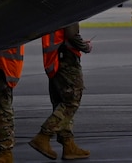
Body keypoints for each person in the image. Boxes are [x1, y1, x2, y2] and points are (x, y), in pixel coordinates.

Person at [29, 24, 91, 160]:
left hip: (55, 58)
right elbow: (71, 33)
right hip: (66, 58)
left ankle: (68, 145)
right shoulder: (71, 6)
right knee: (71, 102)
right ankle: (43, 136)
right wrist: (84, 47)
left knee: (60, 102)